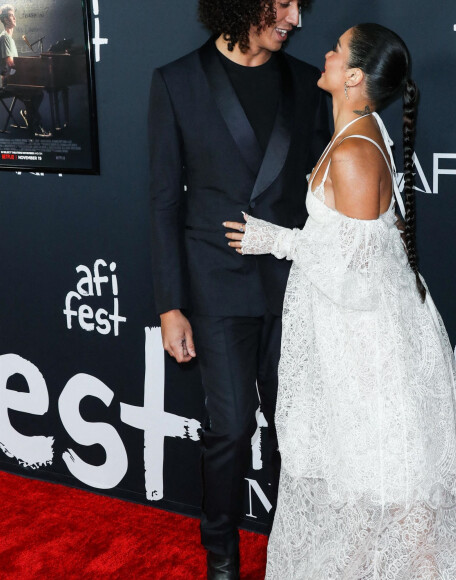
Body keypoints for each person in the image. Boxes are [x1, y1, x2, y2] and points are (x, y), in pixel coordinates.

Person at [224, 23, 456, 579]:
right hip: (356, 341)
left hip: (366, 351)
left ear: (355, 75)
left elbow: (360, 276)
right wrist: (284, 239)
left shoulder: (355, 150)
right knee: (364, 487)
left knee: (382, 483)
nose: (328, 53)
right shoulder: (361, 133)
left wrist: (280, 241)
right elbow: (354, 246)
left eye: (337, 49)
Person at [148, 1, 329, 578]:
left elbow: (325, 198)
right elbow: (163, 204)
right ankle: (221, 554)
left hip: (294, 287)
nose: (295, 17)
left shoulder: (306, 82)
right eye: (282, 3)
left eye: (300, 5)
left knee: (292, 429)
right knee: (230, 427)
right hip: (215, 288)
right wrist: (171, 306)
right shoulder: (177, 81)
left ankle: (291, 547)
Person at [0, 4, 50, 137]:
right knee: (35, 93)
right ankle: (35, 127)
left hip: (11, 80)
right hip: (6, 84)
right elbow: (11, 64)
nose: (14, 17)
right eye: (11, 15)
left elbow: (14, 65)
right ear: (5, 19)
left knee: (37, 92)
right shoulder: (5, 37)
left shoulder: (8, 38)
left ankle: (29, 116)